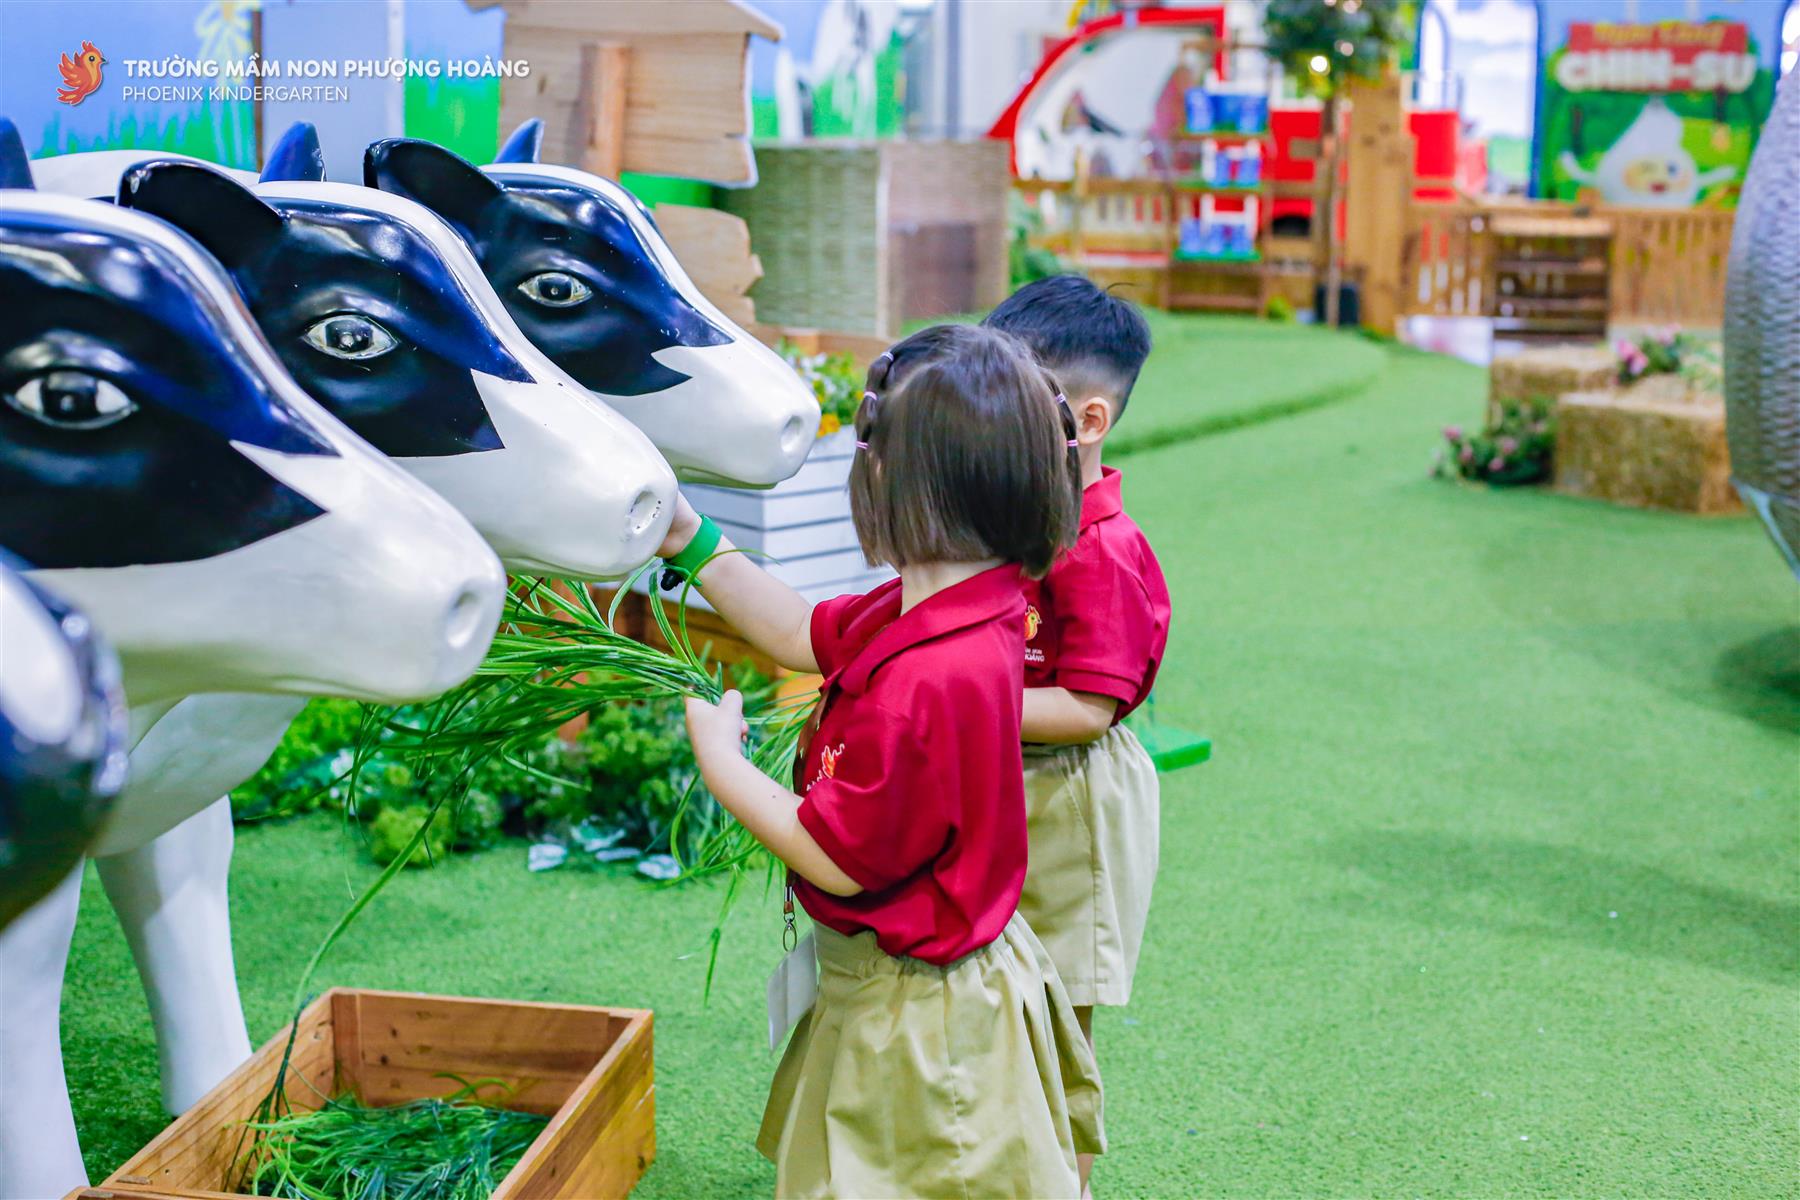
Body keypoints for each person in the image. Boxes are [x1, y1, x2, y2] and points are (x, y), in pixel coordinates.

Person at [666, 323, 1105, 1198]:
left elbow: (837, 856)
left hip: (919, 1015)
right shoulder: (957, 599)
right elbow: (799, 631)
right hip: (926, 983)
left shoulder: (925, 677)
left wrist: (723, 766)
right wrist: (691, 539)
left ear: (892, 485)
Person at [984, 276, 1170, 1195]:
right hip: (1003, 777)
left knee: (1058, 1021)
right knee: (991, 1002)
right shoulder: (1011, 524)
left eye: (1007, 400)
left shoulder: (1100, 550)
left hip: (1071, 795)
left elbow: (1089, 708)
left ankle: (1068, 1184)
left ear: (1086, 421)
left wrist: (951, 700)